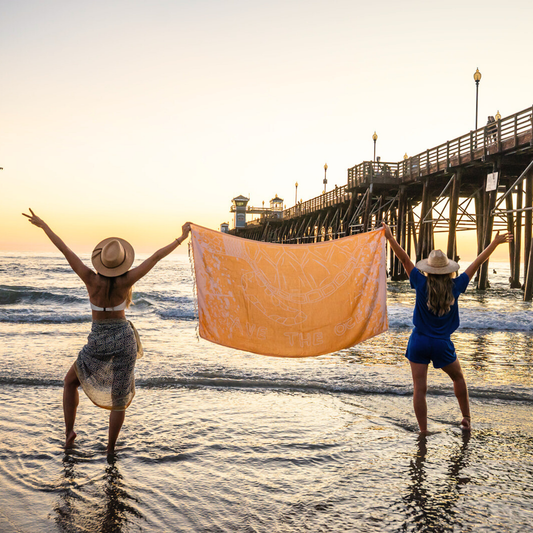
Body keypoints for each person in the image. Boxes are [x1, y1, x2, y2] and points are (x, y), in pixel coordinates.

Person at [22, 209, 191, 453]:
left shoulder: (90, 279)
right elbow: (155, 258)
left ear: (101, 261)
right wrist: (180, 238)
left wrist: (45, 226)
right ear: (122, 263)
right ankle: (110, 449)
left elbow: (65, 250)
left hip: (98, 340)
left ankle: (69, 432)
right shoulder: (126, 281)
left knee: (69, 383)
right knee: (118, 399)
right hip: (124, 339)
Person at [382, 222, 512, 434]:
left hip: (419, 342)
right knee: (458, 378)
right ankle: (466, 419)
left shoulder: (420, 282)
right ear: (447, 270)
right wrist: (495, 243)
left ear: (429, 269)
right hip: (442, 344)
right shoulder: (456, 285)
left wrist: (390, 237)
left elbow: (404, 259)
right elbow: (477, 263)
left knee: (420, 389)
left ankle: (423, 431)